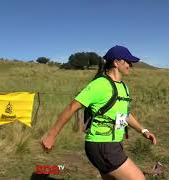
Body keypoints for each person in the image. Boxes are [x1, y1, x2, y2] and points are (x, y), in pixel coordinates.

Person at [41, 45, 157, 180]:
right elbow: (72, 107)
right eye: (128, 61)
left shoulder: (124, 87)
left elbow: (125, 114)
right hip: (102, 145)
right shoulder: (99, 85)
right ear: (116, 62)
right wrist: (51, 135)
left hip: (113, 144)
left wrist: (143, 131)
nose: (130, 65)